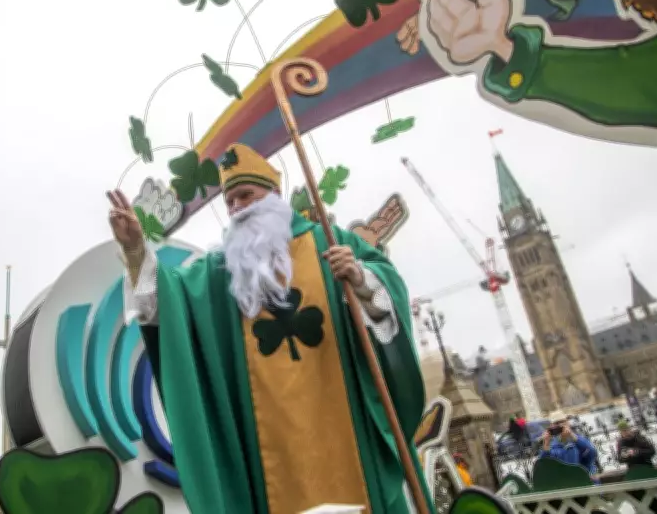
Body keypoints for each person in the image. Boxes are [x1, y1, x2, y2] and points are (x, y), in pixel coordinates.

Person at [107, 142, 434, 514]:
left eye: (246, 195)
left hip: (346, 427)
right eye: (229, 202)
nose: (237, 209)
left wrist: (360, 279)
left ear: (275, 196)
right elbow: (164, 304)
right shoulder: (218, 274)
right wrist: (136, 251)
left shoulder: (333, 241)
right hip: (268, 451)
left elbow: (387, 292)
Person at [538, 411, 598, 476]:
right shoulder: (552, 445)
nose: (560, 425)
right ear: (552, 426)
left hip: (586, 478)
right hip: (565, 481)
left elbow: (592, 454)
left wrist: (572, 436)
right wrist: (546, 444)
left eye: (563, 421)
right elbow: (544, 465)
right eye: (557, 423)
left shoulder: (578, 439)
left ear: (567, 423)